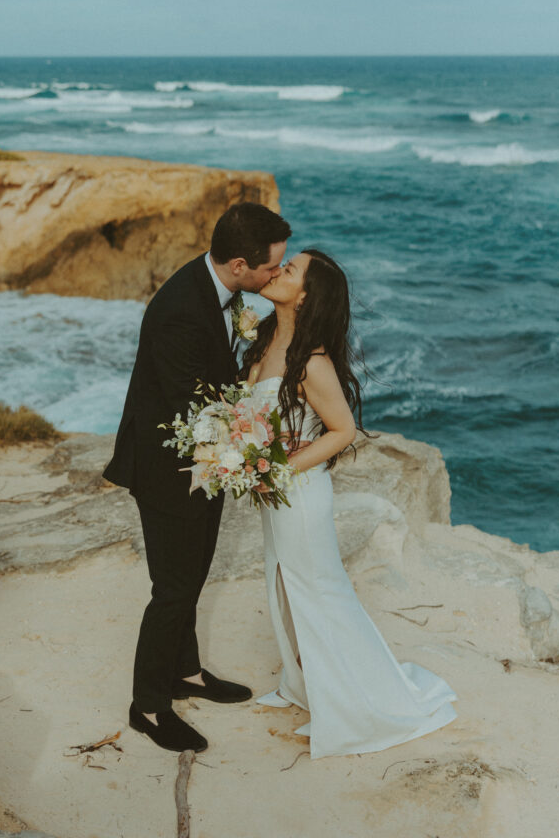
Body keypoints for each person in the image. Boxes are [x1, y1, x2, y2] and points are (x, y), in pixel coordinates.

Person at [243, 249, 457, 759]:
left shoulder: (312, 362)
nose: (276, 271)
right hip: (275, 493)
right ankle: (304, 685)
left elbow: (341, 431)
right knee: (283, 583)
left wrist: (278, 468)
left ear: (304, 297)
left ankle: (359, 707)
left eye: (289, 271)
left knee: (320, 591)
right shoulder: (267, 340)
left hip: (299, 494)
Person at [103, 201, 291, 753]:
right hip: (167, 467)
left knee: (193, 575)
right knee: (173, 589)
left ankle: (185, 672)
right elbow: (191, 405)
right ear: (239, 265)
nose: (276, 275)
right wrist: (257, 445)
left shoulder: (218, 288)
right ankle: (148, 706)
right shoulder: (181, 310)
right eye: (270, 267)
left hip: (202, 460)